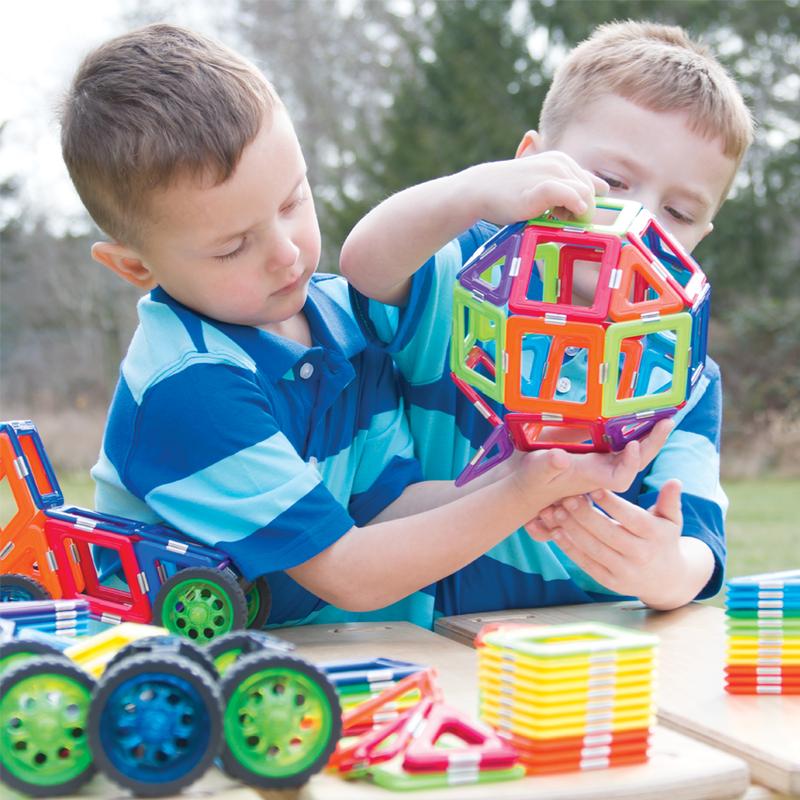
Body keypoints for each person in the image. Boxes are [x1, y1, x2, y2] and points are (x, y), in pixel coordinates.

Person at [59, 24, 668, 627]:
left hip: (297, 660)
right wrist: (524, 492)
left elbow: (390, 510)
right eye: (232, 247)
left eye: (292, 201)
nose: (286, 254)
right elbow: (349, 572)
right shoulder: (189, 385)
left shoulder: (339, 321)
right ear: (135, 267)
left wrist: (540, 468)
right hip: (167, 664)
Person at [340, 21, 754, 617]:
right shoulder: (469, 273)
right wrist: (474, 191)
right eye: (612, 180)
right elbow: (365, 265)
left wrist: (666, 570)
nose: (639, 217)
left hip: (583, 643)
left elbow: (698, 547)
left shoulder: (681, 369)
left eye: (680, 212)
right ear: (531, 164)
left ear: (701, 236)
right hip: (420, 627)